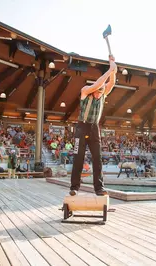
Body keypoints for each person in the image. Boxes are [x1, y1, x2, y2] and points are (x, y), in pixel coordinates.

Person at [69, 55, 117, 196]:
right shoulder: (86, 91)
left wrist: (113, 66)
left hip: (94, 128)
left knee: (97, 158)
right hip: (81, 127)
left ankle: (99, 188)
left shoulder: (102, 94)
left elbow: (112, 83)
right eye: (97, 91)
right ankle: (74, 187)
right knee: (78, 157)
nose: (98, 94)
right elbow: (97, 84)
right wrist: (109, 71)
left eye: (101, 92)